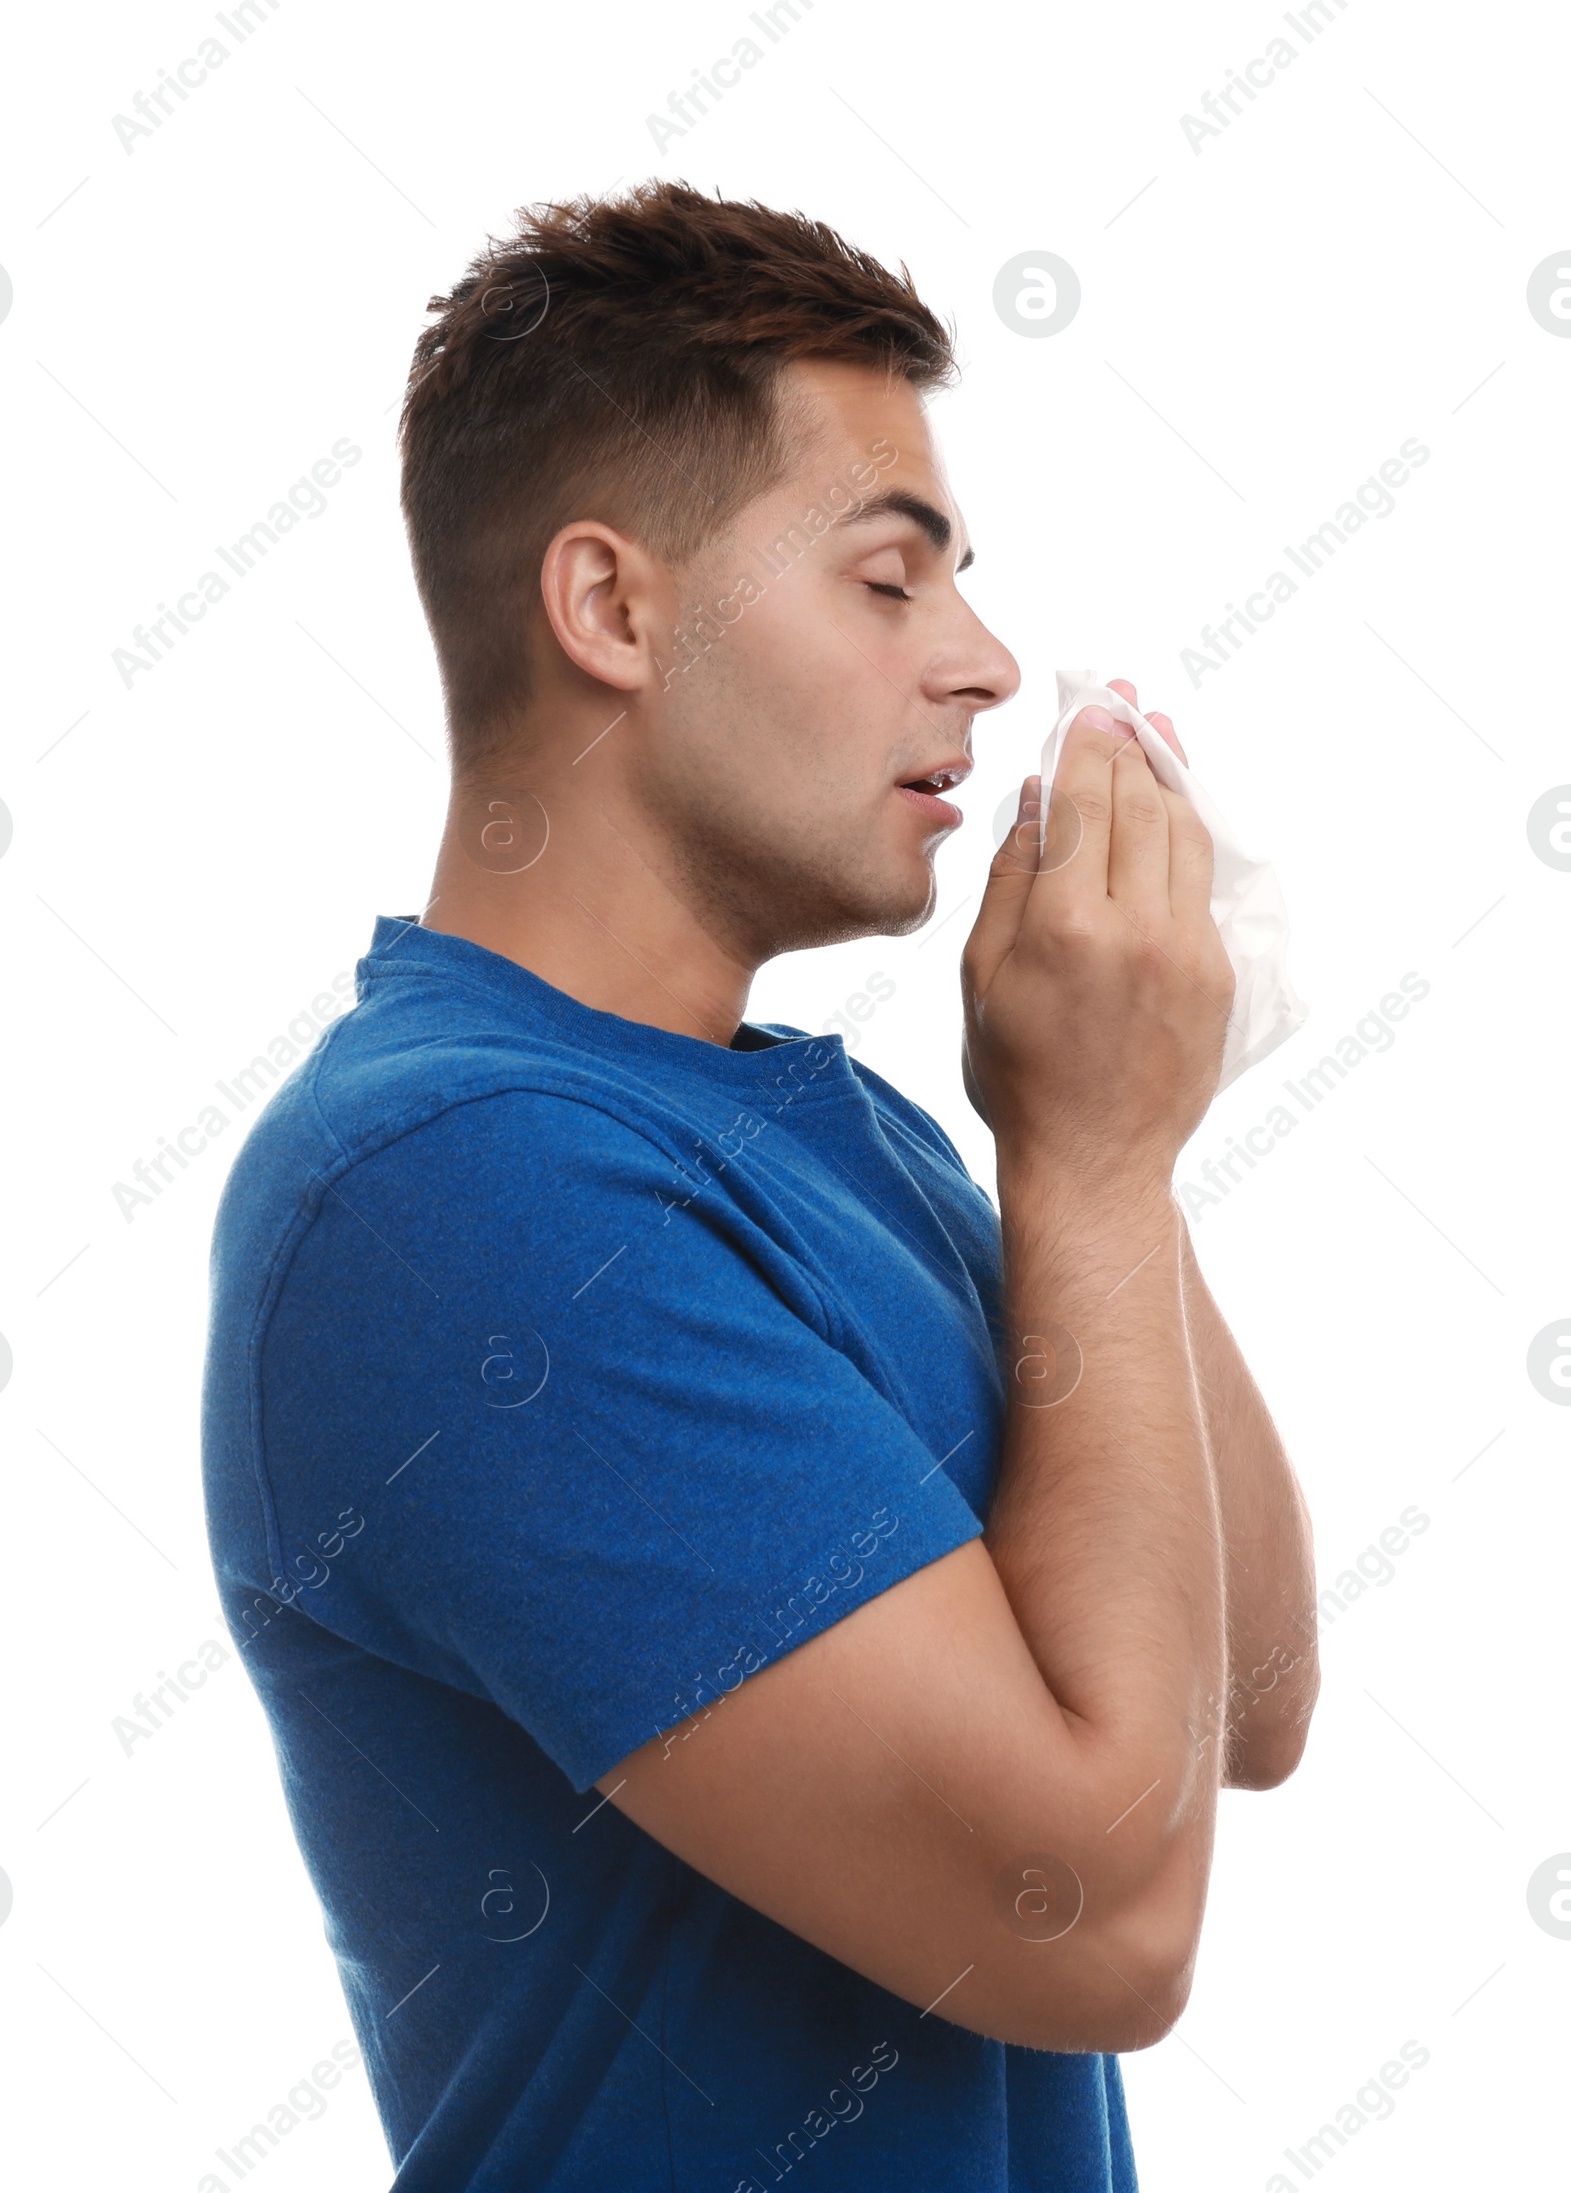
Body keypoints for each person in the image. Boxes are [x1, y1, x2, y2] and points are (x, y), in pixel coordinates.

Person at [202, 179, 1318, 2193]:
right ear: (614, 611)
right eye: (887, 582)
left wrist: (1110, 1148)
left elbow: (1243, 1695)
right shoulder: (453, 1191)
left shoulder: (850, 1132)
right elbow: (1093, 1912)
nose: (982, 663)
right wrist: (1079, 1158)